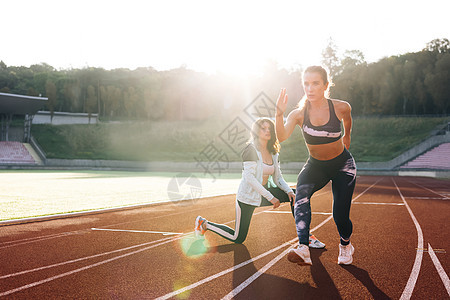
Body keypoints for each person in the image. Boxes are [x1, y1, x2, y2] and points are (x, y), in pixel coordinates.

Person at [194, 117, 325, 248]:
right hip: (248, 197)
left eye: (269, 129)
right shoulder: (250, 150)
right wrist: (271, 197)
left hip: (265, 192)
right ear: (256, 131)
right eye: (263, 128)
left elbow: (278, 178)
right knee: (238, 238)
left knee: (296, 196)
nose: (267, 131)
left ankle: (305, 236)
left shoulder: (273, 152)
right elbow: (250, 178)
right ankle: (204, 224)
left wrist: (289, 191)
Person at [275, 65, 356, 266]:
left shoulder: (340, 107)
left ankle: (345, 244)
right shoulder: (298, 114)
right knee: (299, 195)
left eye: (315, 83)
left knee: (340, 216)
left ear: (326, 85)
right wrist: (278, 114)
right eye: (306, 84)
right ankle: (303, 247)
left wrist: (347, 136)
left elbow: (348, 120)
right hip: (316, 166)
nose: (310, 88)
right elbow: (282, 137)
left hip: (342, 167)